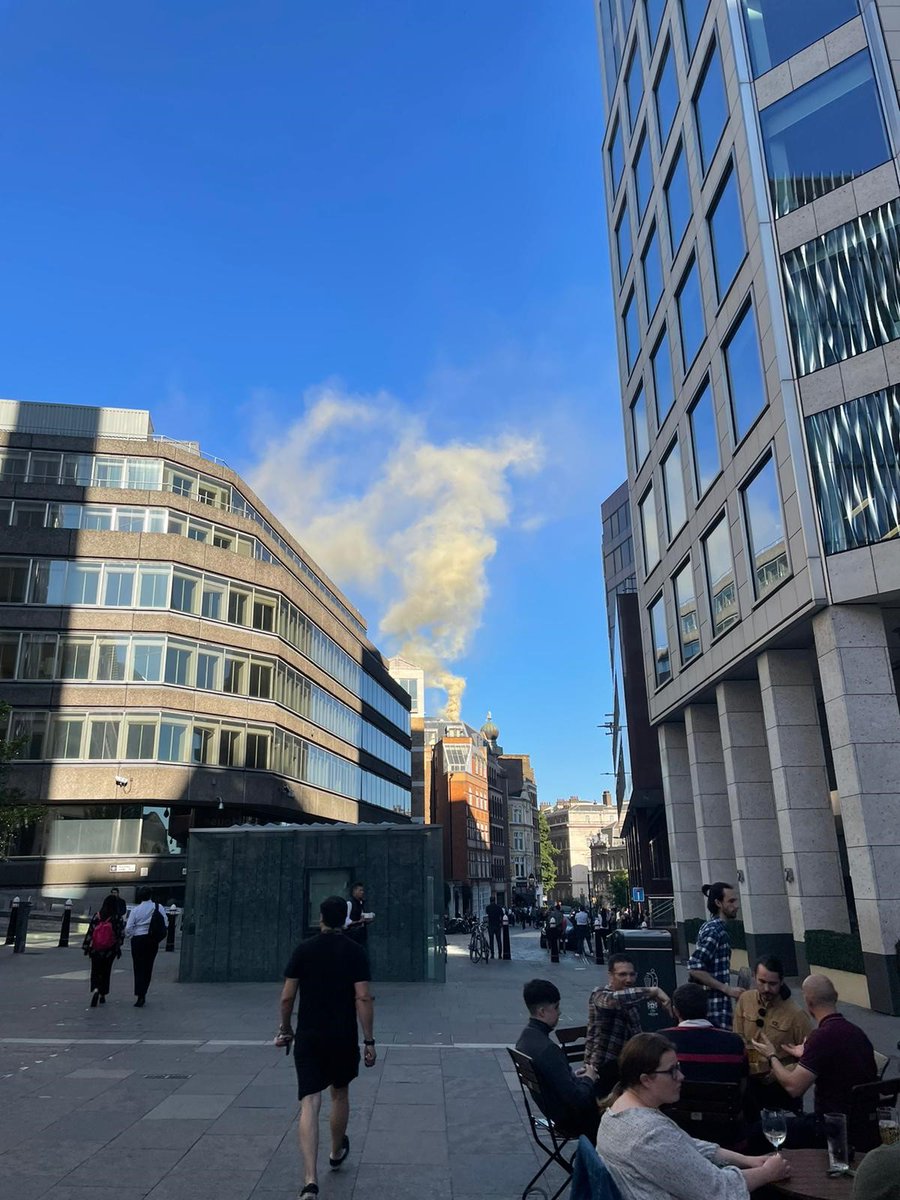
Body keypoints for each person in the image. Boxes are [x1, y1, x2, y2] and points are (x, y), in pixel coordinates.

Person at [596, 1032, 791, 1199]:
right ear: (646, 1080)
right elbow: (718, 1190)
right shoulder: (648, 1134)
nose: (681, 1076)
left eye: (678, 1067)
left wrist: (746, 1160)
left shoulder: (618, 1109)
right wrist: (766, 1173)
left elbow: (685, 1144)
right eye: (672, 1071)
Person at [277, 895, 375, 1200]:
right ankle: (335, 1151)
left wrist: (286, 1028)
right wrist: (369, 1040)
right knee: (340, 1092)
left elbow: (287, 997)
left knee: (309, 1102)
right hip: (342, 1035)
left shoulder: (304, 950)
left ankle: (310, 1180)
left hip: (309, 1034)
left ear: (320, 917)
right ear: (345, 919)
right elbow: (362, 997)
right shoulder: (356, 952)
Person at [751, 973, 877, 1147]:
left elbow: (793, 1087)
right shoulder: (857, 1033)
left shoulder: (821, 1037)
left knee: (757, 1131)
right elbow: (836, 1061)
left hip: (830, 1128)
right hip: (863, 1125)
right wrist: (807, 1053)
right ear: (836, 997)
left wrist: (772, 1055)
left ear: (808, 1003)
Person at [515, 979, 601, 1138]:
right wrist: (589, 1078)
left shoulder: (525, 1040)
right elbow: (578, 1100)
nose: (559, 1012)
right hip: (575, 1120)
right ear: (542, 1012)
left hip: (554, 1111)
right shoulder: (548, 1049)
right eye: (556, 1007)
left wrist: (574, 1077)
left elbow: (554, 1080)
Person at [732, 956, 811, 1116]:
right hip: (750, 1081)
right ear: (754, 977)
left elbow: (808, 1058)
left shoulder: (796, 1015)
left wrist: (779, 1072)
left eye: (772, 984)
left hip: (779, 1085)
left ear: (782, 981)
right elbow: (737, 1036)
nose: (766, 988)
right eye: (761, 982)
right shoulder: (745, 1000)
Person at [584, 954, 673, 1094]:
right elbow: (611, 1001)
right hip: (600, 1069)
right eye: (622, 975)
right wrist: (653, 991)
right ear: (610, 976)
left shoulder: (632, 999)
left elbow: (636, 1034)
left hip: (626, 1067)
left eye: (632, 974)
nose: (628, 979)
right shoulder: (599, 994)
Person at [662, 983, 748, 1086]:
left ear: (675, 1011)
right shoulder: (735, 1042)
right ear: (708, 1009)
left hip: (676, 1101)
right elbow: (743, 1083)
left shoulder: (660, 1041)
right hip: (724, 1100)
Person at [688, 882, 745, 1029]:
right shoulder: (714, 931)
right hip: (714, 1009)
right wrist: (727, 989)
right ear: (718, 903)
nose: (736, 905)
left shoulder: (714, 928)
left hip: (716, 1007)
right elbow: (694, 966)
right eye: (731, 901)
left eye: (735, 900)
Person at [82, 895, 125, 1007]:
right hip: (109, 950)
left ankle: (95, 988)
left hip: (96, 949)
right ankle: (102, 994)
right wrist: (118, 947)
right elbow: (120, 935)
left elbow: (90, 932)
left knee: (95, 970)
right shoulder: (117, 918)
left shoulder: (97, 916)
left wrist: (86, 946)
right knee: (106, 971)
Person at [124, 887, 163, 1007]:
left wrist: (131, 936)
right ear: (151, 895)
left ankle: (139, 993)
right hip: (151, 940)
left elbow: (128, 927)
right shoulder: (158, 907)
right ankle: (144, 991)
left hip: (138, 939)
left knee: (138, 966)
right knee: (148, 966)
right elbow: (165, 923)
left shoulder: (136, 910)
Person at [345, 881, 369, 950]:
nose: (362, 892)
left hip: (361, 936)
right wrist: (358, 921)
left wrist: (366, 921)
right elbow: (345, 922)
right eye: (360, 890)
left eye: (363, 890)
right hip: (352, 936)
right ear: (354, 891)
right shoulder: (349, 903)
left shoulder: (361, 904)